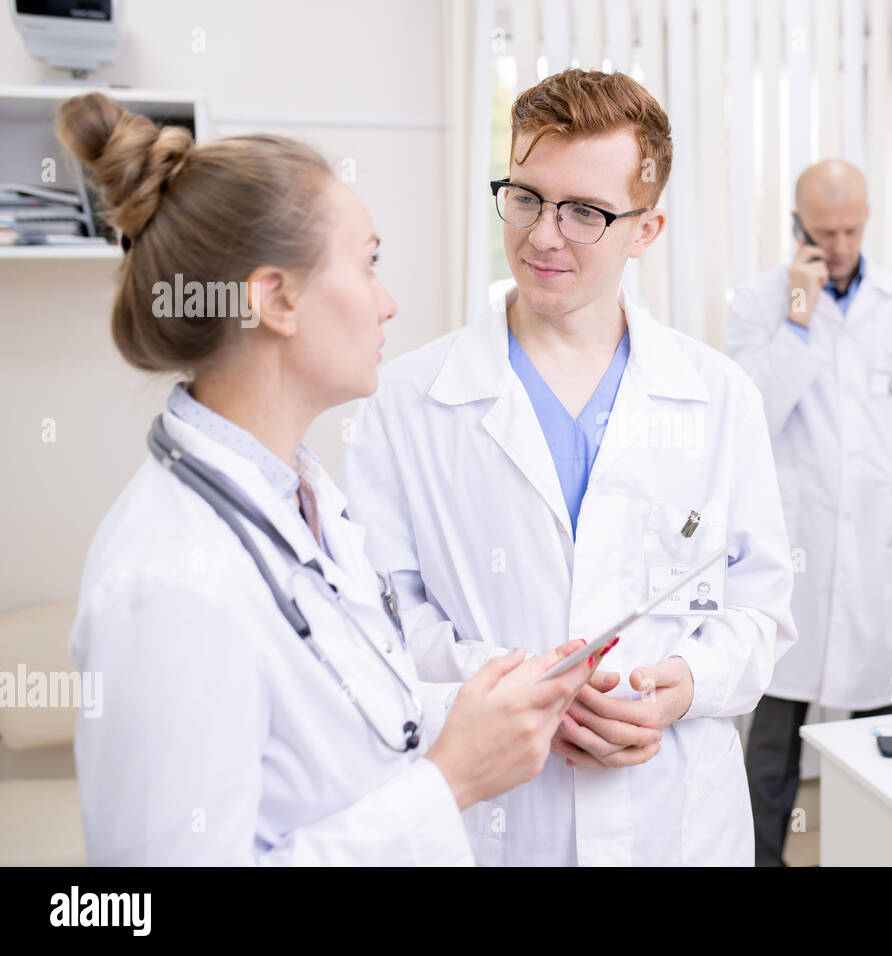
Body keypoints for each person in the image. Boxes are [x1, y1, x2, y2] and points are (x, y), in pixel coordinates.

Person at [59, 93, 599, 865]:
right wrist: (447, 786)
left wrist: (496, 703)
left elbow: (354, 715)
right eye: (368, 263)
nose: (388, 304)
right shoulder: (170, 581)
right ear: (275, 298)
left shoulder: (304, 499)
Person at [341, 69, 796, 866]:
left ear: (645, 230)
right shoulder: (407, 399)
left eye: (585, 212)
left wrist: (680, 686)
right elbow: (381, 623)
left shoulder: (719, 397)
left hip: (675, 819)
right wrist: (517, 688)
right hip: (498, 820)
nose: (544, 234)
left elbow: (760, 608)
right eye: (525, 197)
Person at [726, 158, 892, 866]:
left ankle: (884, 856)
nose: (838, 244)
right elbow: (751, 418)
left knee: (880, 744)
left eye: (851, 229)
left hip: (876, 557)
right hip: (793, 556)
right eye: (824, 231)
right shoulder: (757, 303)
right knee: (770, 750)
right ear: (797, 226)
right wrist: (799, 322)